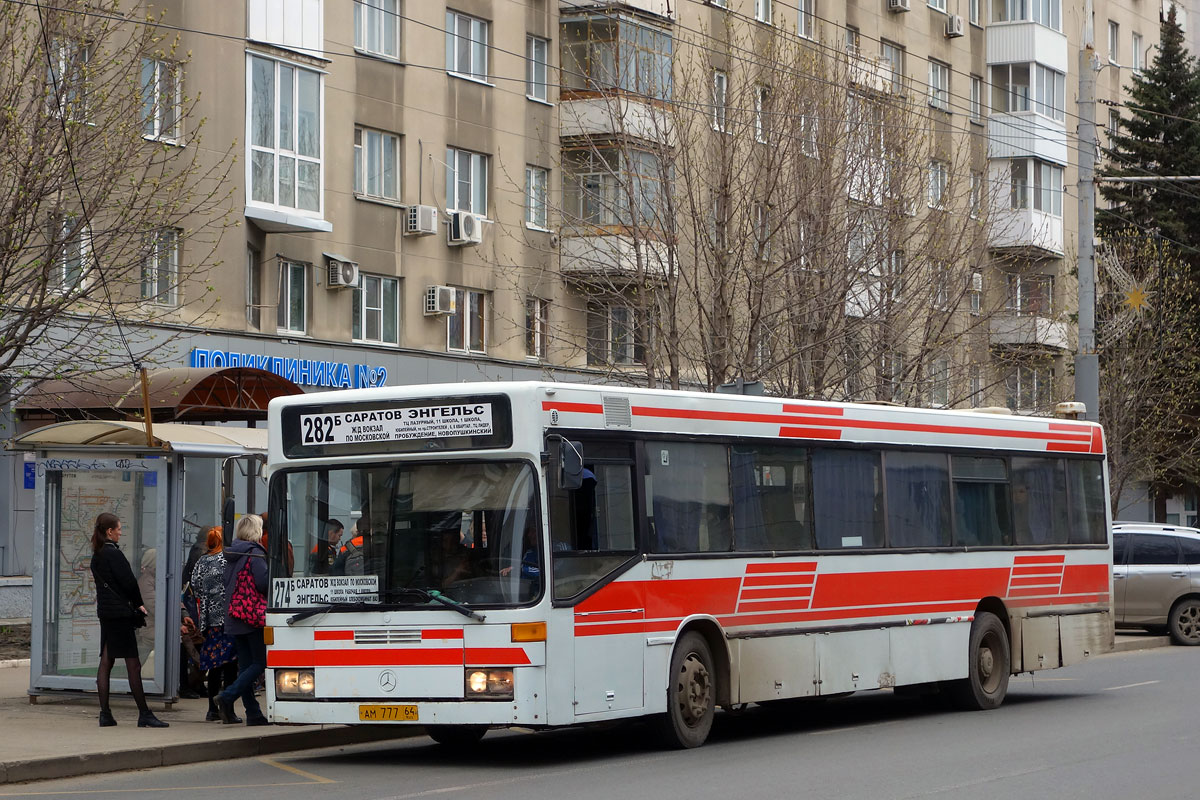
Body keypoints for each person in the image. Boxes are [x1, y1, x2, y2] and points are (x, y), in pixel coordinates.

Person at [89, 512, 169, 728]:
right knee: (133, 664)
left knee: (106, 661)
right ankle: (144, 714)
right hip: (121, 616)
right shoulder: (113, 554)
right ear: (109, 531)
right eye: (119, 529)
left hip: (106, 614)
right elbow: (129, 582)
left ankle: (105, 714)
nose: (120, 532)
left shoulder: (97, 554)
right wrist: (138, 603)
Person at [215, 514, 270, 727]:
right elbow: (263, 583)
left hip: (235, 615)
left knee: (246, 667)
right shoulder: (255, 553)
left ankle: (254, 714)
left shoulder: (232, 553)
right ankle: (227, 696)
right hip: (252, 616)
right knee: (261, 662)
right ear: (256, 531)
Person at [191, 526, 240, 722]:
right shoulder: (227, 560)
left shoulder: (202, 561)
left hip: (210, 620)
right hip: (228, 618)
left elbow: (194, 584)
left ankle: (211, 709)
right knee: (230, 665)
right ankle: (228, 708)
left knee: (214, 665)